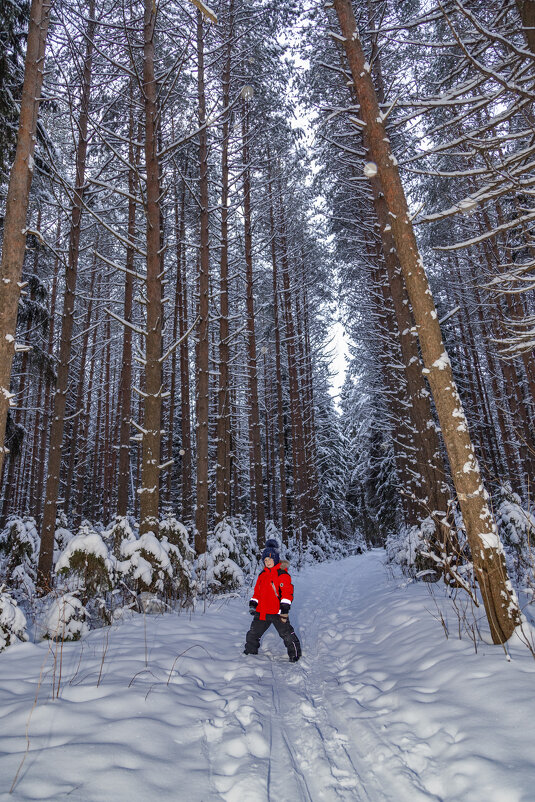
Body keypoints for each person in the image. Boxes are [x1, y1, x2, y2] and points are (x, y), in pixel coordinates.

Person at [243, 538, 301, 663]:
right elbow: (257, 592)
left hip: (277, 612)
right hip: (262, 611)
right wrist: (254, 603)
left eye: (270, 559)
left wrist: (284, 609)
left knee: (287, 634)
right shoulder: (262, 575)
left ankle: (295, 654)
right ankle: (249, 654)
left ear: (275, 558)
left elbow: (287, 593)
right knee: (253, 634)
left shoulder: (282, 574)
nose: (267, 562)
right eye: (265, 560)